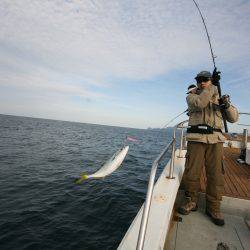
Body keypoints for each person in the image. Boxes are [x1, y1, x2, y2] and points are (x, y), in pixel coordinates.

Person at [178, 70, 239, 226]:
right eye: (199, 80)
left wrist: (226, 105)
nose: (202, 82)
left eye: (205, 79)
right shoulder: (191, 96)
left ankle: (214, 208)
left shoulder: (219, 97)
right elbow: (201, 103)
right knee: (192, 172)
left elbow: (233, 118)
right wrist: (212, 87)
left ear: (211, 80)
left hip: (215, 140)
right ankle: (191, 201)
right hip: (196, 139)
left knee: (216, 175)